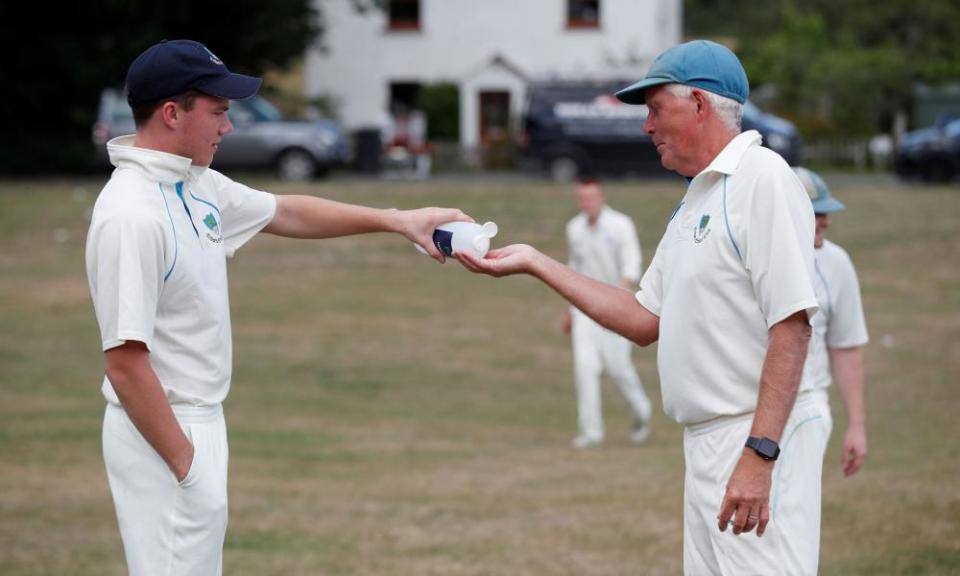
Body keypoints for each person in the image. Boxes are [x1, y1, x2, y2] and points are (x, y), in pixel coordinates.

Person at [84, 39, 471, 576]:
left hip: (197, 423)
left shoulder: (193, 185)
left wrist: (397, 219)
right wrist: (186, 463)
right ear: (172, 113)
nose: (229, 127)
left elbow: (286, 211)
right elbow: (125, 363)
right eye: (219, 112)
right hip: (165, 432)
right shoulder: (132, 213)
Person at [456, 40, 824, 575]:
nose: (646, 127)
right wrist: (537, 262)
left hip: (748, 439)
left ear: (699, 104)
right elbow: (644, 318)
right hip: (705, 444)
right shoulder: (696, 200)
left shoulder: (762, 178)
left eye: (655, 109)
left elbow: (792, 327)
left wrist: (759, 453)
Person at [562, 179, 652, 448]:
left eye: (591, 198)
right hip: (584, 310)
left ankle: (642, 411)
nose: (586, 203)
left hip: (617, 308)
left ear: (601, 197)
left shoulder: (620, 225)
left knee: (617, 367)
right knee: (585, 368)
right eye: (582, 198)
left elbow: (631, 263)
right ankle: (591, 433)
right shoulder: (574, 228)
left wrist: (618, 298)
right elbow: (573, 269)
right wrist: (569, 310)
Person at [795, 167, 869, 477]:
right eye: (815, 212)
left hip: (807, 409)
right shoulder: (743, 258)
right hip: (745, 413)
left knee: (794, 523)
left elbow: (846, 346)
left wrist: (856, 425)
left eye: (826, 212)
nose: (825, 220)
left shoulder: (836, 262)